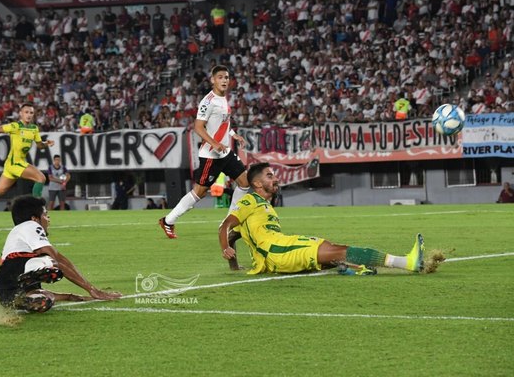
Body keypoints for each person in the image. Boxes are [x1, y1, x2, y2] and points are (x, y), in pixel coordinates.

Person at [218, 162, 425, 274]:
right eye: (269, 176)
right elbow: (226, 227)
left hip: (281, 248)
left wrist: (234, 266)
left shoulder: (265, 206)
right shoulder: (249, 201)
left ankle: (355, 269)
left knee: (333, 249)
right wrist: (224, 249)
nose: (276, 178)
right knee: (339, 251)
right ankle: (407, 262)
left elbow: (234, 235)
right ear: (257, 184)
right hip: (278, 252)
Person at [159, 65, 249, 239]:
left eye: (226, 77)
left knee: (244, 182)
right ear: (213, 80)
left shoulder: (224, 99)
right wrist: (214, 143)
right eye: (220, 77)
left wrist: (233, 135)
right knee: (199, 192)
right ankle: (168, 220)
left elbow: (223, 123)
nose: (224, 80)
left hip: (225, 152)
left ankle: (228, 223)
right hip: (210, 156)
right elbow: (198, 127)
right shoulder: (208, 101)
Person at [0, 195, 121, 313]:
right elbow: (57, 259)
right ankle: (27, 293)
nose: (48, 219)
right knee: (51, 262)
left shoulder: (16, 236)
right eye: (46, 215)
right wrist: (93, 290)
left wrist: (72, 297)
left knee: (46, 299)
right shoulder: (31, 225)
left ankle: (23, 300)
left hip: (5, 286)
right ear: (34, 218)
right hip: (18, 269)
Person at [0, 103, 54, 225]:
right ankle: (38, 211)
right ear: (21, 114)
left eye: (31, 113)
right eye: (26, 112)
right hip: (14, 163)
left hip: (13, 164)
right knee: (41, 178)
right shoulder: (15, 126)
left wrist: (46, 143)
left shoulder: (34, 128)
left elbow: (39, 145)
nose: (28, 115)